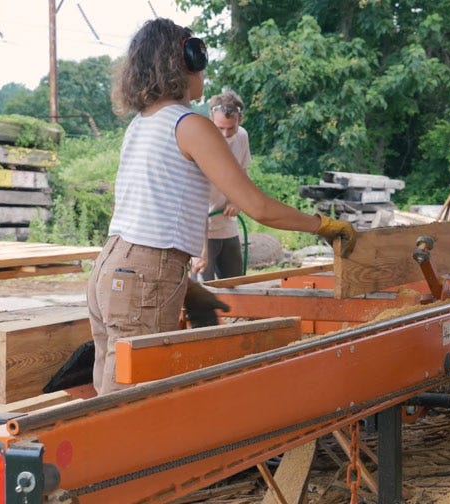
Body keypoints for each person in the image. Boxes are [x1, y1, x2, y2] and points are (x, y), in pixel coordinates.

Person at [87, 18, 356, 396]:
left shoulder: (142, 123)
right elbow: (258, 207)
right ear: (185, 61)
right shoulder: (191, 125)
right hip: (144, 272)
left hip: (111, 267)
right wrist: (323, 226)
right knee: (126, 407)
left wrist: (181, 284)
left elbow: (155, 211)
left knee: (108, 390)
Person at [191, 90, 252, 281]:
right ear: (210, 118)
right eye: (219, 128)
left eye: (230, 128)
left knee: (236, 285)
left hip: (227, 225)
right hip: (201, 228)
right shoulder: (198, 141)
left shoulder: (242, 136)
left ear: (240, 120)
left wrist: (237, 201)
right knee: (203, 293)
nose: (225, 134)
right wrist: (201, 249)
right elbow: (193, 197)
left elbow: (242, 173)